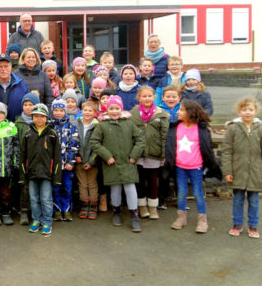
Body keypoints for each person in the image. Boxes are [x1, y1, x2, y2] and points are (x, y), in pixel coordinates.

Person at [90, 96, 145, 233]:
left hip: (127, 162)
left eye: (117, 108)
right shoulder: (102, 125)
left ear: (121, 109)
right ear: (106, 109)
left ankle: (134, 214)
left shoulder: (129, 124)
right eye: (111, 108)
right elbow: (94, 142)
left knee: (130, 186)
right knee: (115, 188)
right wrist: (106, 156)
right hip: (111, 163)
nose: (114, 111)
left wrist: (134, 155)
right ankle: (116, 211)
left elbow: (140, 140)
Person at [166, 100, 221, 234]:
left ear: (191, 113)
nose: (178, 112)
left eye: (182, 110)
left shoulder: (201, 129)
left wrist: (210, 166)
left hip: (196, 167)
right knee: (181, 192)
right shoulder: (175, 127)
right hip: (180, 167)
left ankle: (202, 219)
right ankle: (181, 217)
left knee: (197, 193)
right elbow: (170, 147)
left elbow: (207, 149)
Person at [222, 97, 262, 239]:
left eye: (250, 110)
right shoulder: (233, 129)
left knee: (254, 201)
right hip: (238, 171)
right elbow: (226, 151)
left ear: (255, 111)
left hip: (256, 173)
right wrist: (227, 171)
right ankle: (237, 224)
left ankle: (253, 225)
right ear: (239, 111)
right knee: (237, 199)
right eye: (244, 110)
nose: (247, 113)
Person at [21, 103, 62, 236]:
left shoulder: (52, 134)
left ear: (47, 117)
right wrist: (23, 174)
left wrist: (56, 176)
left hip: (46, 173)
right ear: (32, 117)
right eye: (36, 116)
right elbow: (22, 156)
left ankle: (47, 222)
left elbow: (57, 158)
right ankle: (36, 220)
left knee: (46, 198)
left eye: (42, 116)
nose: (39, 119)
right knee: (33, 198)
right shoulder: (27, 134)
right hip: (32, 173)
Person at [129, 86, 169, 220]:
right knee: (139, 181)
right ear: (139, 97)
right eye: (144, 96)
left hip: (154, 153)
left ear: (154, 97)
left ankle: (152, 207)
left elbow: (165, 135)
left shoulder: (160, 114)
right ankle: (142, 206)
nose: (147, 98)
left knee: (153, 181)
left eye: (149, 96)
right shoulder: (133, 114)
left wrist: (163, 153)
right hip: (138, 154)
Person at [49, 98, 79, 222]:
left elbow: (74, 145)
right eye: (56, 110)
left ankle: (66, 210)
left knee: (67, 187)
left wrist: (71, 162)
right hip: (54, 165)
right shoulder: (49, 127)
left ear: (65, 111)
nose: (58, 113)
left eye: (61, 110)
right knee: (55, 187)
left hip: (67, 165)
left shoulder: (72, 126)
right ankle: (56, 210)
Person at [13, 92, 39, 225]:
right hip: (23, 160)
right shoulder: (18, 122)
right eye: (26, 105)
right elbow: (15, 143)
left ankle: (36, 212)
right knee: (24, 186)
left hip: (38, 161)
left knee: (37, 186)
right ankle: (24, 211)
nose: (28, 107)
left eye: (31, 105)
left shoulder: (41, 121)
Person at [0, 54, 30, 122]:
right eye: (0, 66)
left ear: (11, 67)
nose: (3, 69)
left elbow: (28, 107)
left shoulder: (22, 85)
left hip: (17, 127)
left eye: (6, 66)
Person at [75, 101, 99, 220]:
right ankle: (84, 205)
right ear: (81, 111)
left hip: (92, 161)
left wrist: (91, 162)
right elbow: (74, 140)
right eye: (85, 110)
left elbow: (98, 146)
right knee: (82, 184)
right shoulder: (76, 123)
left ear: (95, 113)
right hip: (79, 160)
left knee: (92, 184)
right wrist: (76, 155)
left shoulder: (97, 126)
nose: (87, 112)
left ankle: (93, 206)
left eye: (90, 111)